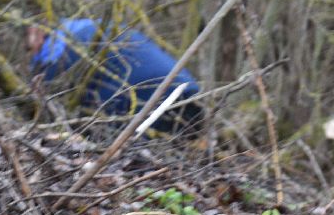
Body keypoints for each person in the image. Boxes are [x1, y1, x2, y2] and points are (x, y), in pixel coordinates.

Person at [27, 18, 204, 136]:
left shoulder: (65, 46)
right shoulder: (93, 26)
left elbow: (48, 89)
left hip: (149, 100)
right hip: (186, 91)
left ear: (37, 34)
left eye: (29, 48)